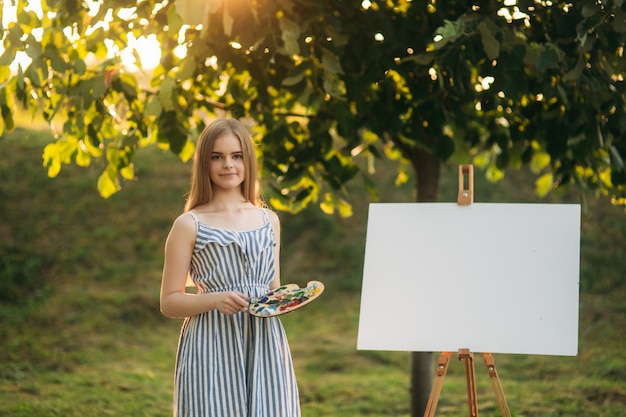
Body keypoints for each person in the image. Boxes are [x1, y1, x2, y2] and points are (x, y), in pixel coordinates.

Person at [159, 118, 301, 417]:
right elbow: (169, 302)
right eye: (217, 157)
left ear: (248, 161)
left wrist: (289, 298)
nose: (228, 165)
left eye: (237, 156)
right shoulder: (189, 224)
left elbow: (271, 289)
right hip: (210, 345)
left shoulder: (268, 220)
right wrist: (215, 299)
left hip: (264, 342)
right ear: (204, 164)